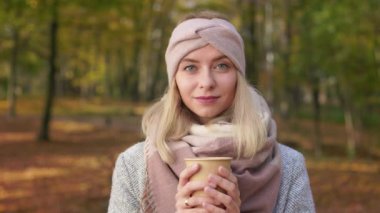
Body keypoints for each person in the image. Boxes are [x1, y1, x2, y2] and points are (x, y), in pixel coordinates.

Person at [108, 11, 315, 213]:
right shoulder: (134, 166)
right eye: (190, 67)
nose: (206, 82)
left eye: (222, 66)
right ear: (175, 80)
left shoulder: (288, 167)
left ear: (238, 77)